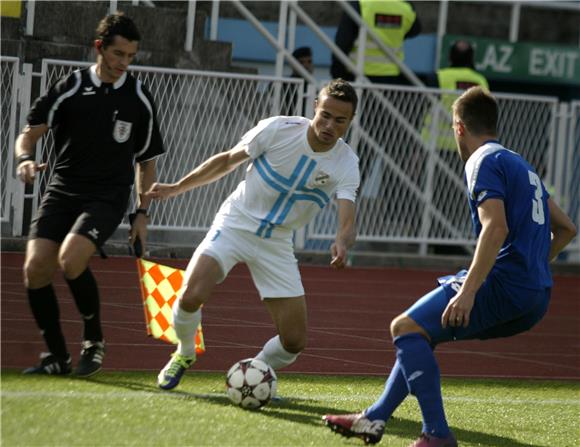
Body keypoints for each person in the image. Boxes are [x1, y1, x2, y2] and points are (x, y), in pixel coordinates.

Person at [323, 87, 576, 446]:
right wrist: (534, 266)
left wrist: (469, 292)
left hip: (505, 284)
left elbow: (496, 227)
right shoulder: (521, 163)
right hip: (536, 294)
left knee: (405, 328)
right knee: (421, 331)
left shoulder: (481, 161)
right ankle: (374, 418)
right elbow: (567, 229)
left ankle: (437, 435)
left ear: (459, 127)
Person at [146, 79, 360, 391]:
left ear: (349, 122)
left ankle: (254, 372)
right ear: (315, 107)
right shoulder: (278, 129)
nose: (329, 125)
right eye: (325, 114)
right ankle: (185, 352)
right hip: (235, 223)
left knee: (295, 340)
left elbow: (347, 216)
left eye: (340, 120)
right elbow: (228, 160)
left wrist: (342, 241)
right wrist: (178, 187)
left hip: (276, 243)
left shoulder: (347, 163)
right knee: (191, 295)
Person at [15, 12, 165, 377]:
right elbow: (29, 133)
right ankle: (56, 356)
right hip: (62, 189)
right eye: (118, 54)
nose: (123, 63)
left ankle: (94, 341)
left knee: (71, 259)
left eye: (130, 57)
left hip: (108, 196)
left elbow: (146, 163)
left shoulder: (139, 97)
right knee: (35, 270)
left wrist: (141, 214)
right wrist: (24, 159)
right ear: (99, 48)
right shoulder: (70, 86)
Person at [422, 39, 489, 153]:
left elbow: (422, 106)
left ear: (450, 57)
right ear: (471, 58)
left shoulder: (438, 77)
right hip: (467, 146)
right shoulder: (481, 81)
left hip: (434, 142)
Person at [331, 0, 421, 85]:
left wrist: (337, 74)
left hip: (358, 75)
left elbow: (342, 42)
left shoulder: (361, 4)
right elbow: (415, 30)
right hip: (391, 76)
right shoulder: (405, 6)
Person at [280, 46, 314, 116]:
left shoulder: (312, 85)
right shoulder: (286, 84)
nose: (306, 65)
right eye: (301, 62)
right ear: (293, 64)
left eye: (309, 62)